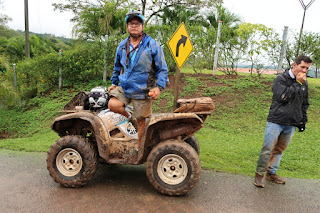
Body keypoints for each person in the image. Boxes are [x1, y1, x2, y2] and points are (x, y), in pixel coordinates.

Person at [107, 10, 168, 150]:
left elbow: (162, 69)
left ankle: (139, 149)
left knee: (142, 122)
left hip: (144, 89)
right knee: (113, 104)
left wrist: (158, 87)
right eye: (131, 23)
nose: (134, 26)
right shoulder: (122, 46)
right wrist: (114, 83)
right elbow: (117, 67)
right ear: (127, 26)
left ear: (142, 26)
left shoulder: (152, 45)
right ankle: (130, 116)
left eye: (137, 23)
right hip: (126, 86)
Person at [254, 55, 312, 188]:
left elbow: (304, 103)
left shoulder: (304, 82)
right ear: (294, 65)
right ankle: (259, 175)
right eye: (302, 67)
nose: (304, 71)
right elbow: (283, 97)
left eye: (307, 68)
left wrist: (303, 120)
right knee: (267, 149)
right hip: (276, 120)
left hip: (291, 123)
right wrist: (297, 83)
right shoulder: (281, 79)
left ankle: (271, 173)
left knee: (279, 150)